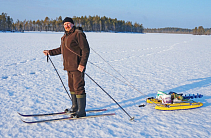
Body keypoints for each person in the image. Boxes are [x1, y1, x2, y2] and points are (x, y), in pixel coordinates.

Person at [43, 17, 90, 117]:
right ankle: (74, 107)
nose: (67, 26)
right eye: (65, 24)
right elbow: (62, 49)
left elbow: (85, 50)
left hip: (77, 66)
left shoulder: (78, 34)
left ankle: (81, 111)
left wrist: (82, 64)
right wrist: (50, 52)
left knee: (79, 87)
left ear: (72, 24)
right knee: (72, 87)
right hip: (69, 66)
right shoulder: (65, 36)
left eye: (68, 24)